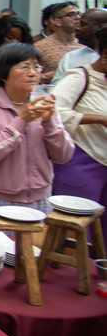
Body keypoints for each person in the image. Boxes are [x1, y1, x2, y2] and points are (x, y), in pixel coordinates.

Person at [0, 43, 74, 210]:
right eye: (25, 67)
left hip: (41, 197)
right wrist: (21, 120)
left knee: (39, 237)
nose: (33, 73)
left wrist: (49, 124)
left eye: (36, 66)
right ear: (4, 73)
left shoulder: (44, 103)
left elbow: (64, 155)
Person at [52, 25, 107, 240]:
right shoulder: (80, 77)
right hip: (82, 160)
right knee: (77, 232)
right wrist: (100, 119)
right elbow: (54, 111)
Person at [52, 8, 107, 83]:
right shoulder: (70, 57)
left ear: (100, 27)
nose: (77, 28)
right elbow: (55, 88)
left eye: (83, 24)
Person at [36, 2, 81, 83]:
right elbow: (30, 77)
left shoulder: (85, 47)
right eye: (71, 14)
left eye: (78, 14)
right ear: (58, 21)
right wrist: (49, 76)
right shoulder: (40, 47)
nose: (77, 17)